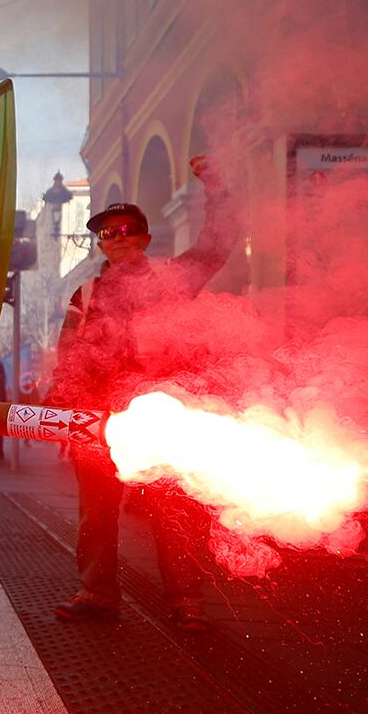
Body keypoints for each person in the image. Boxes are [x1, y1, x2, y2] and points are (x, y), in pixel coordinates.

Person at [48, 155, 234, 633]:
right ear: (102, 244)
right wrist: (59, 406)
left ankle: (186, 602)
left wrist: (216, 186)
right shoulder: (86, 294)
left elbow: (217, 247)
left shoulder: (173, 279)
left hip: (163, 412)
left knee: (175, 511)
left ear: (145, 238)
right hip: (97, 417)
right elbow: (68, 352)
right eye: (108, 233)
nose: (119, 237)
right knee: (96, 512)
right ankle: (97, 593)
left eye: (128, 228)